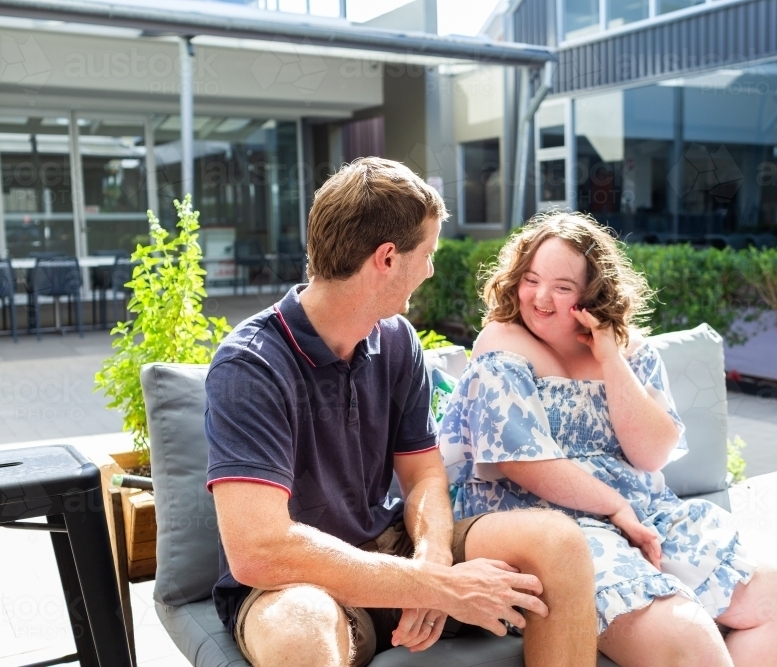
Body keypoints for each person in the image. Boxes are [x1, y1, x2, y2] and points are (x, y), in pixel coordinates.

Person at [204, 159, 597, 667]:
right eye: (427, 253)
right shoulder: (250, 366)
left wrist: (431, 559)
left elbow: (423, 474)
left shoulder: (395, 341)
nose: (431, 269)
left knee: (557, 542)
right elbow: (260, 550)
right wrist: (437, 585)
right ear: (387, 258)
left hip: (392, 548)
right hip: (299, 583)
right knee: (297, 633)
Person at [439, 211, 777, 667]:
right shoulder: (501, 343)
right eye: (531, 279)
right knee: (689, 639)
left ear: (592, 295)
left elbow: (651, 453)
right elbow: (523, 461)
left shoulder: (629, 350)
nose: (539, 298)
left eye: (562, 287)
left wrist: (609, 357)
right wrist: (614, 507)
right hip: (546, 524)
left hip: (643, 516)